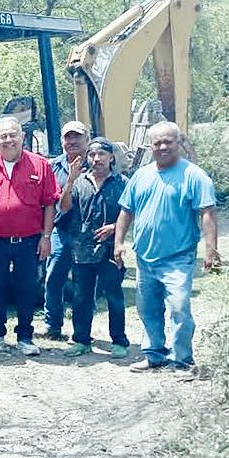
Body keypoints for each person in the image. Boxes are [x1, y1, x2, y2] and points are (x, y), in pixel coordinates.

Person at [114, 121, 220, 375]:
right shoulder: (141, 176)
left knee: (180, 308)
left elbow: (207, 213)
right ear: (150, 146)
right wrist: (118, 242)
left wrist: (211, 250)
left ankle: (183, 360)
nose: (163, 147)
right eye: (157, 143)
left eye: (168, 142)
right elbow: (126, 211)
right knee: (147, 309)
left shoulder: (194, 176)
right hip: (145, 257)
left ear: (178, 143)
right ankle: (154, 355)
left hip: (178, 257)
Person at [0, 116, 61, 355]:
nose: (8, 140)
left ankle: (25, 337)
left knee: (26, 287)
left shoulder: (40, 165)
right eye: (3, 136)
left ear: (22, 137)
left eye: (13, 135)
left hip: (28, 240)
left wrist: (46, 237)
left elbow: (50, 203)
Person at [58, 137, 130, 359]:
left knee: (114, 296)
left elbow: (131, 212)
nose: (96, 159)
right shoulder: (80, 182)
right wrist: (70, 181)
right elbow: (64, 207)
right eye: (92, 154)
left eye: (101, 154)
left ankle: (119, 341)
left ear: (111, 157)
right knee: (81, 297)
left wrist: (114, 227)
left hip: (110, 250)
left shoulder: (122, 183)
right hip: (82, 249)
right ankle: (81, 340)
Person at [44, 120, 90, 340]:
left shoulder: (96, 162)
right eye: (67, 137)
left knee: (84, 283)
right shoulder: (53, 166)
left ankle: (82, 330)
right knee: (53, 278)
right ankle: (53, 325)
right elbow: (47, 200)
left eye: (76, 136)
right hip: (61, 230)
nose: (71, 141)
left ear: (87, 139)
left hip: (88, 234)